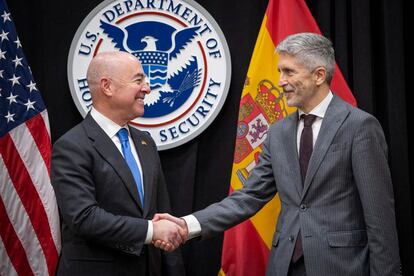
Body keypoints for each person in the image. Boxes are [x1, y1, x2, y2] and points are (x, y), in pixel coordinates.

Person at [154, 33, 401, 276]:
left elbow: (379, 218)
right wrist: (188, 225)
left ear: (319, 75)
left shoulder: (359, 126)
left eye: (289, 72)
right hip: (284, 265)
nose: (280, 81)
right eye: (280, 71)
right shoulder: (278, 132)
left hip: (341, 266)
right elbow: (249, 196)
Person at [51, 51, 185, 276]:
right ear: (107, 86)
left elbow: (162, 212)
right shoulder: (72, 147)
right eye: (138, 80)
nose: (147, 88)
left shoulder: (145, 142)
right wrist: (152, 231)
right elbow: (84, 218)